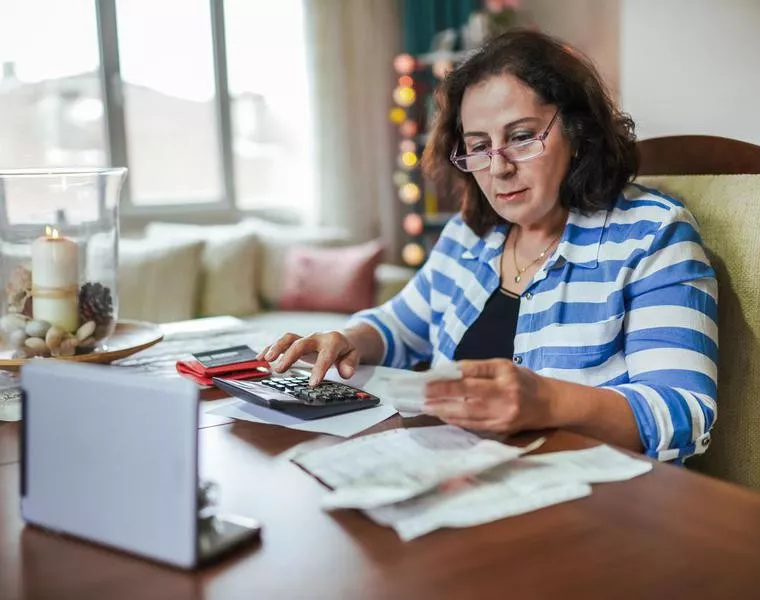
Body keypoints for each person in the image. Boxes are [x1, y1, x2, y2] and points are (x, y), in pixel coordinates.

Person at [260, 30, 718, 462]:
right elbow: (401, 325)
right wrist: (348, 339)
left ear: (577, 132)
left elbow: (684, 411)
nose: (498, 169)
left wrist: (548, 401)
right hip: (461, 478)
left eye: (521, 137)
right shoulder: (470, 233)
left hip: (593, 509)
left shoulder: (653, 235)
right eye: (479, 145)